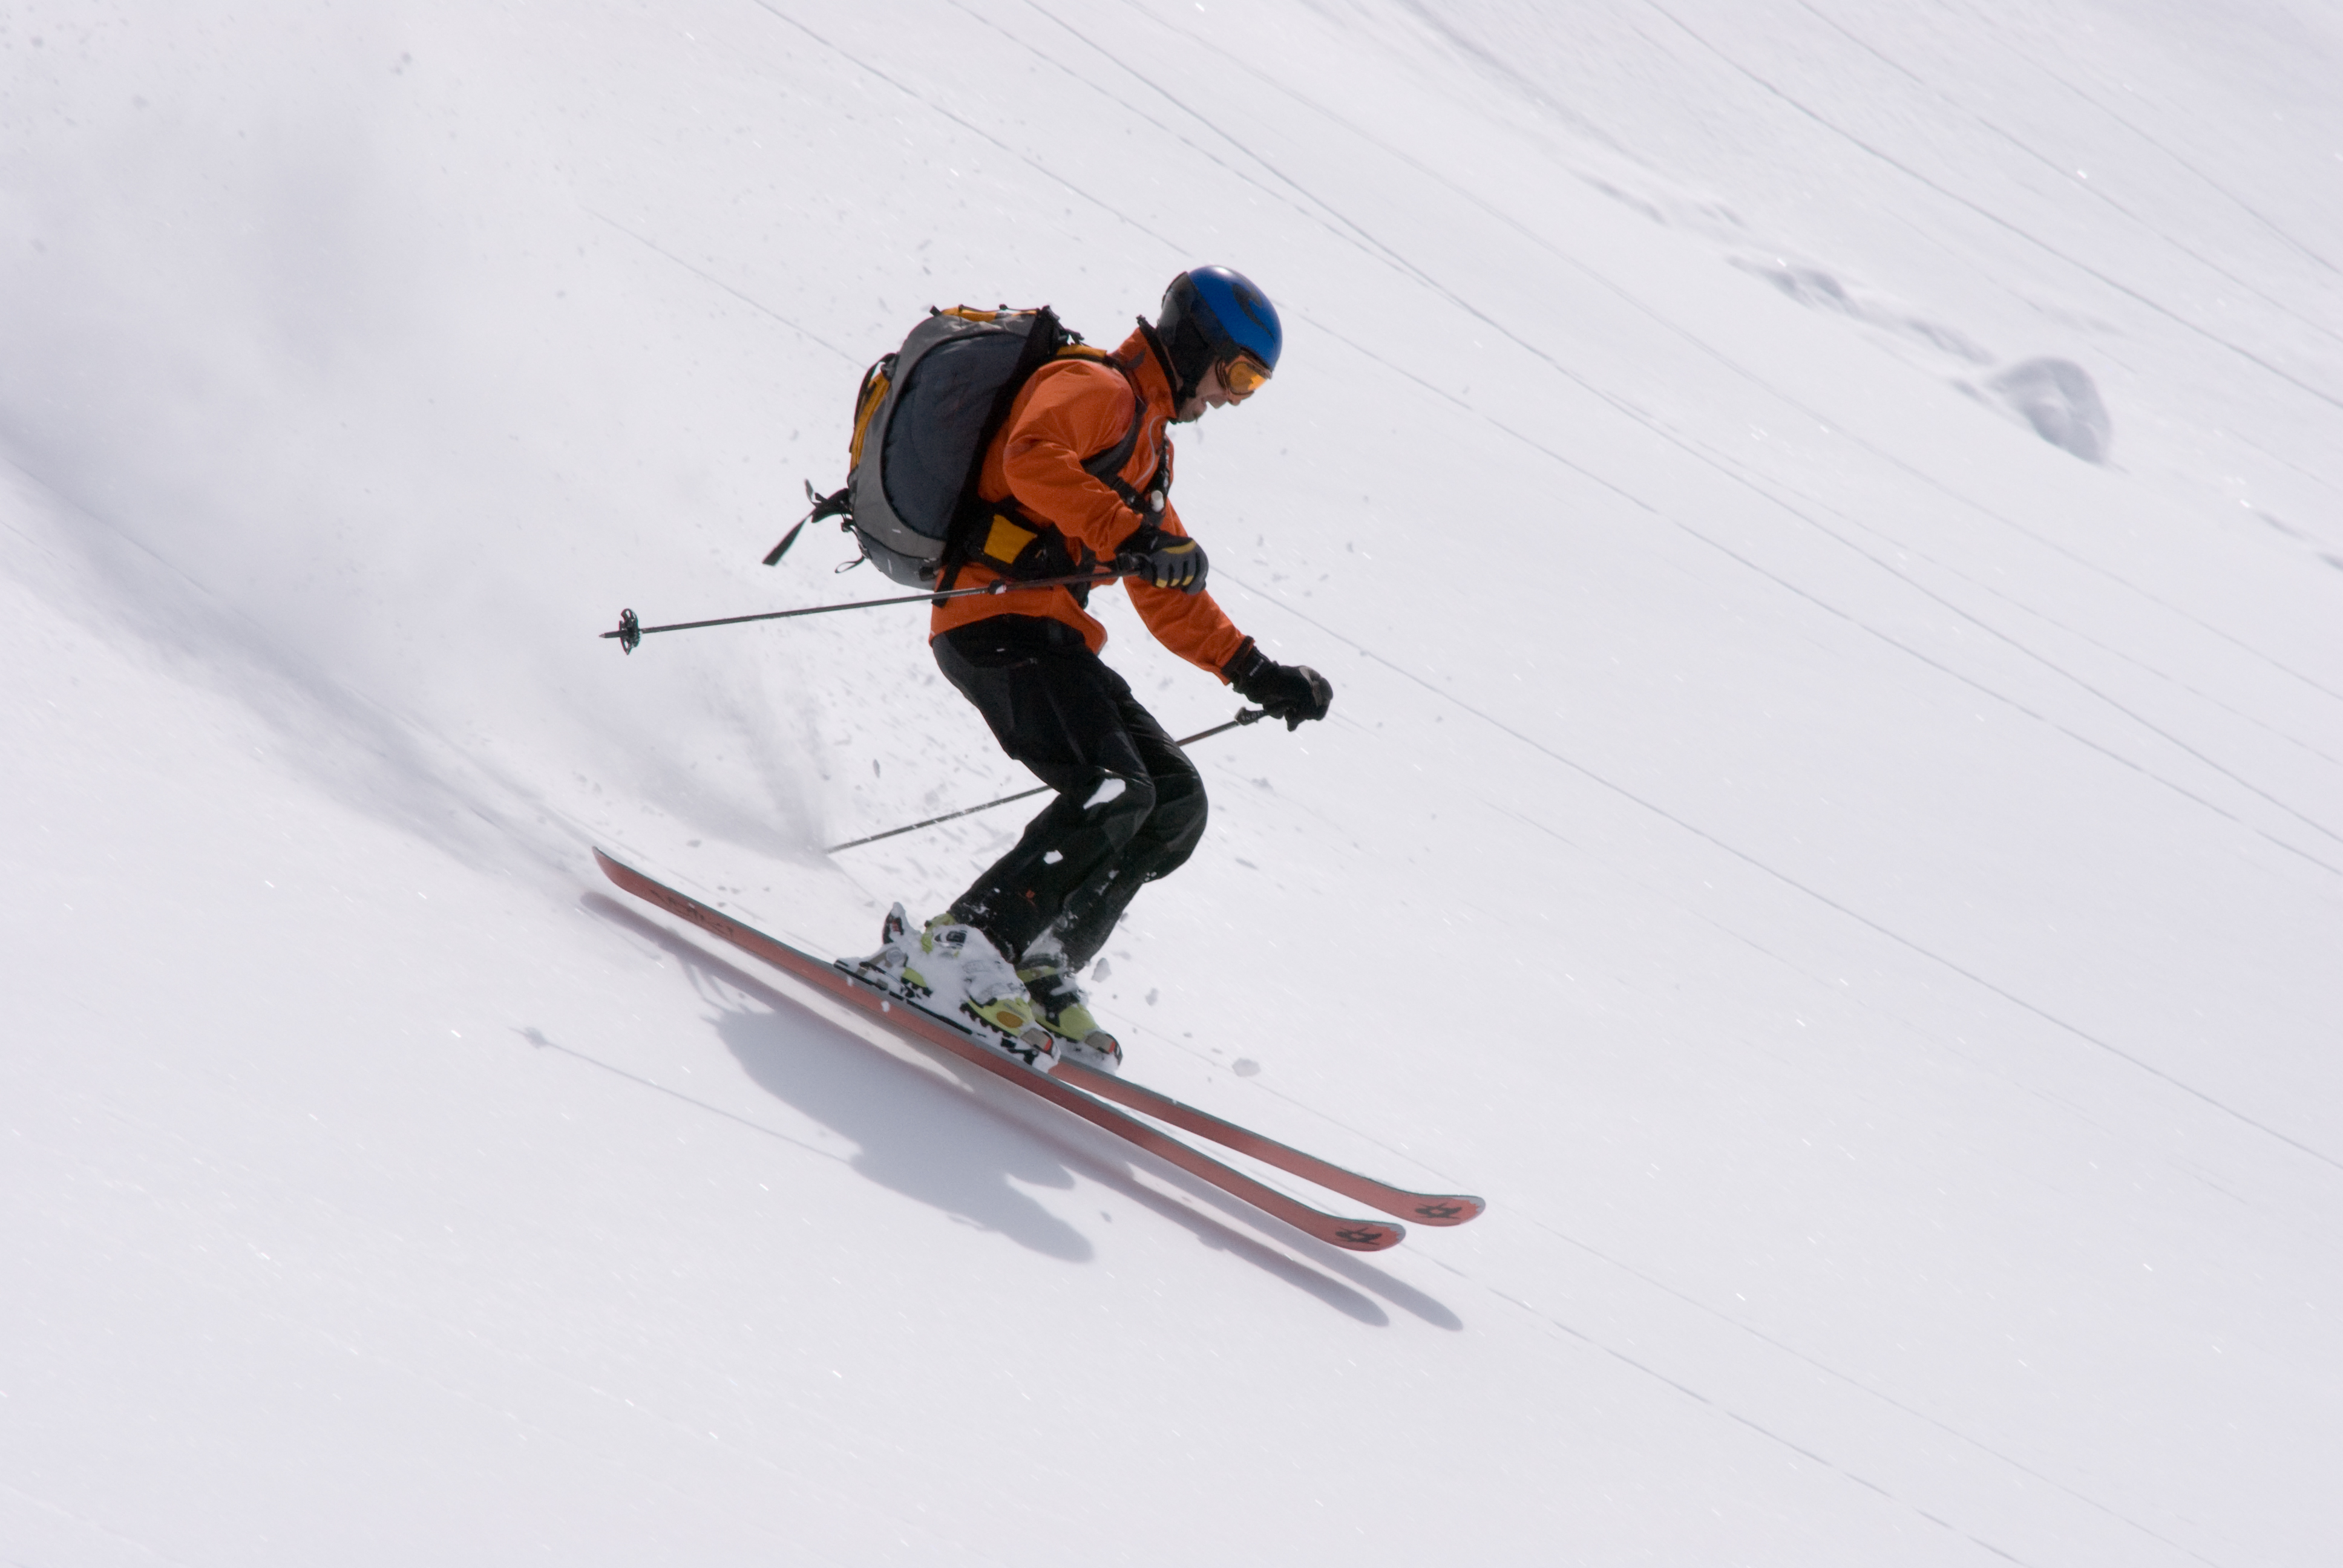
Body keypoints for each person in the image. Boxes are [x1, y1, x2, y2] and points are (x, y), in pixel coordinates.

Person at [873, 267, 1332, 1068]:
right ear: (1199, 347)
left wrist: (1251, 669)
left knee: (1173, 802)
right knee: (1113, 785)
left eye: (1254, 385)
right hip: (993, 621)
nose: (1234, 397)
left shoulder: (1148, 446)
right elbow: (1031, 458)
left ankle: (1039, 957)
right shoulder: (1094, 386)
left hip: (1053, 639)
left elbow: (1165, 588)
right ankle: (964, 944)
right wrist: (1131, 534)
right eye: (1240, 374)